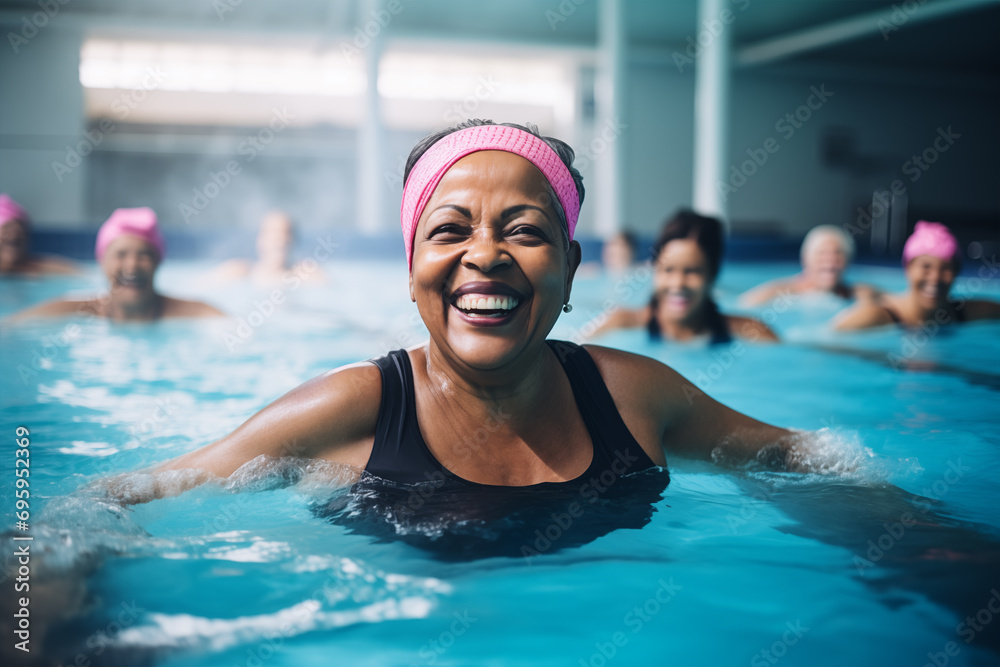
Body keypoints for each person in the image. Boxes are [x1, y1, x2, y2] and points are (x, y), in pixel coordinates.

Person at [101, 121, 819, 507]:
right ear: (412, 273)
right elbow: (136, 494)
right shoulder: (358, 408)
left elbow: (805, 460)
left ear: (570, 271)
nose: (487, 255)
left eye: (525, 230)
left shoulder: (633, 396)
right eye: (449, 230)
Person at [589, 210, 778, 344]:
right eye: (668, 270)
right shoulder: (617, 324)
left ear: (712, 275)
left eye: (692, 271)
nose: (677, 283)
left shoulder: (752, 332)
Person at [10, 207, 224, 322]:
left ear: (159, 261)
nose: (132, 265)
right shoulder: (75, 311)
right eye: (121, 255)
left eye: (144, 255)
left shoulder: (195, 314)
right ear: (101, 261)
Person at [835, 221, 1000, 330]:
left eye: (946, 268)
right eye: (926, 267)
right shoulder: (876, 316)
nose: (935, 278)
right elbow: (825, 343)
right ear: (908, 268)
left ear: (957, 272)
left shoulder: (966, 312)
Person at [740, 224, 876, 307]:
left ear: (848, 261)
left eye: (838, 254)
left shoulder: (859, 293)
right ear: (806, 259)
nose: (830, 260)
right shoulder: (776, 293)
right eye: (822, 254)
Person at [210, 210, 325, 287]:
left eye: (284, 233)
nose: (278, 238)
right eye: (270, 233)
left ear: (294, 240)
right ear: (259, 240)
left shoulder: (307, 274)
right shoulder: (239, 271)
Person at [0, 194, 78, 276]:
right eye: (7, 227)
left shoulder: (41, 267)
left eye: (21, 227)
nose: (15, 233)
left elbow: (80, 273)